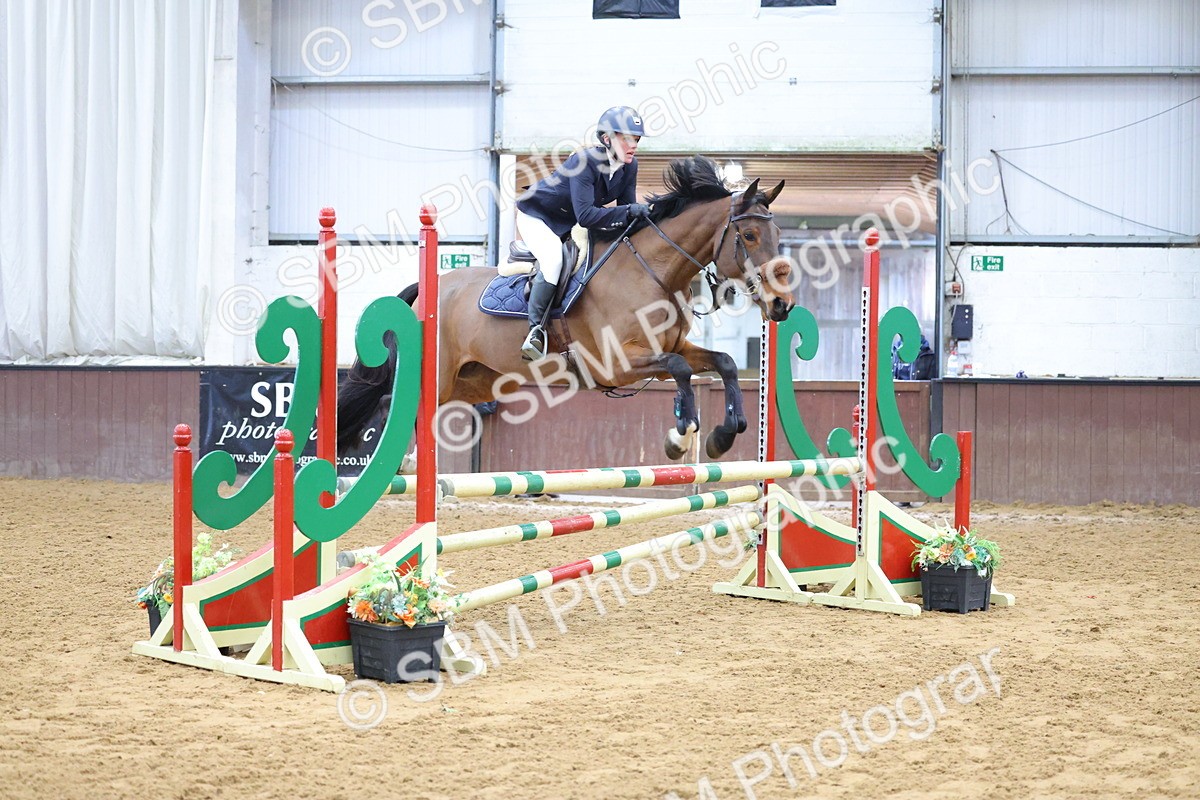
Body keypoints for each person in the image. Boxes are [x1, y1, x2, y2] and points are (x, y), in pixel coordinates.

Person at [514, 106, 652, 361]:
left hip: (568, 221)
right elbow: (587, 217)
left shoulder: (628, 167)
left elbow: (625, 213)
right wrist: (630, 211)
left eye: (637, 139)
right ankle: (535, 331)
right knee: (554, 259)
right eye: (627, 138)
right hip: (538, 217)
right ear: (607, 139)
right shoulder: (584, 161)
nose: (633, 145)